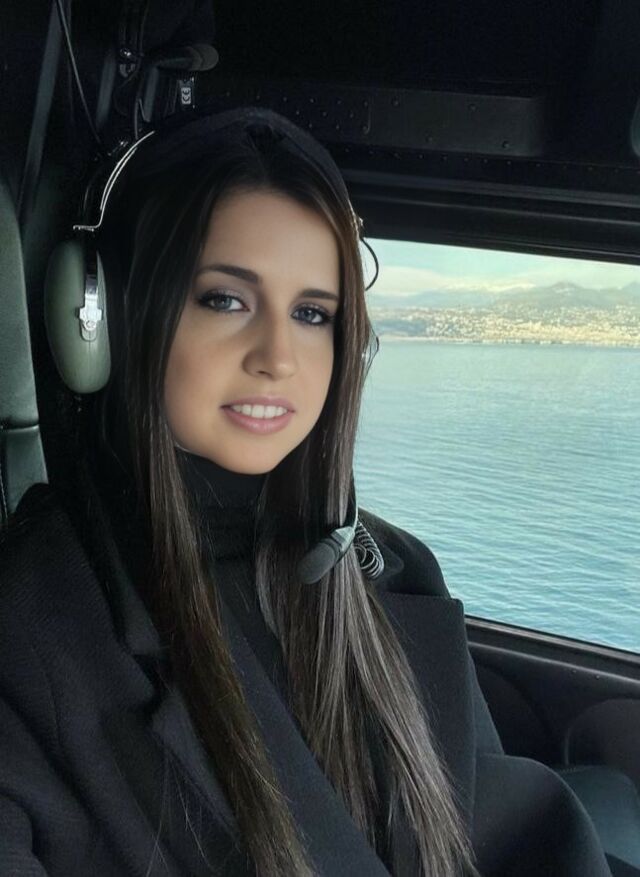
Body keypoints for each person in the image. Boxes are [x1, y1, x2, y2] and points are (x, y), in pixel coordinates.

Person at [0, 107, 614, 876]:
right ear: (103, 319)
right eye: (225, 299)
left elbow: (494, 829)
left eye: (313, 313)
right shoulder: (36, 620)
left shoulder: (392, 567)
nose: (279, 357)